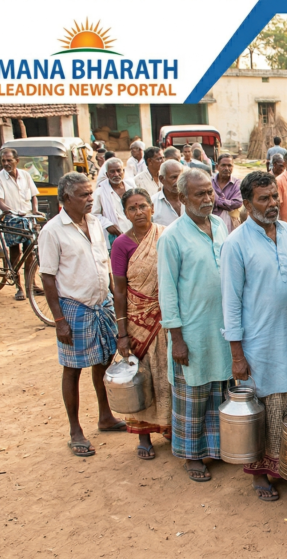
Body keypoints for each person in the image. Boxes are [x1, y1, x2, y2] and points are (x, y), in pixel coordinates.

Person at [221, 171, 287, 502]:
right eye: (264, 199)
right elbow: (231, 302)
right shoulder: (236, 243)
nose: (272, 204)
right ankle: (259, 472)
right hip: (257, 340)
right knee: (262, 405)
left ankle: (284, 464)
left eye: (274, 197)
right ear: (248, 202)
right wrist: (237, 355)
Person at [38, 172, 125, 458]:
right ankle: (75, 430)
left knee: (103, 361)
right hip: (74, 307)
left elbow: (104, 265)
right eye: (83, 195)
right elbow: (48, 278)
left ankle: (105, 416)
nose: (90, 199)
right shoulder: (52, 231)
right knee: (73, 369)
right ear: (65, 199)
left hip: (102, 304)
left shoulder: (95, 223)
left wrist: (113, 296)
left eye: (91, 194)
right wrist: (59, 321)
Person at [157, 168, 233, 483]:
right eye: (199, 194)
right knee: (193, 394)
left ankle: (216, 449)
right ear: (183, 198)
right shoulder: (173, 236)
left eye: (209, 192)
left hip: (221, 328)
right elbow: (168, 291)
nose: (207, 199)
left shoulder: (220, 225)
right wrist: (177, 338)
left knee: (219, 389)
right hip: (192, 331)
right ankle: (191, 455)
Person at [111, 187, 172, 460]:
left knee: (167, 375)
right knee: (142, 376)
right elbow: (120, 291)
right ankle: (143, 435)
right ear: (125, 213)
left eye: (142, 206)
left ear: (152, 207)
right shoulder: (121, 245)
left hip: (167, 318)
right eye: (132, 208)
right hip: (138, 321)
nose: (138, 212)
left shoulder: (165, 235)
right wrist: (122, 333)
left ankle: (169, 426)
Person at [0, 148, 39, 300]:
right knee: (15, 253)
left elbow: (33, 196)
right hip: (11, 219)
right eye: (3, 161)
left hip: (28, 218)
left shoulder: (25, 175)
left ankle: (31, 285)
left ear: (16, 161)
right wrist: (10, 211)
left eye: (9, 160)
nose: (6, 164)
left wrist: (35, 210)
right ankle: (18, 287)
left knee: (31, 253)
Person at [93, 158, 135, 245]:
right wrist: (107, 225)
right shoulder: (100, 192)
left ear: (123, 171)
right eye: (112, 171)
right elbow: (93, 214)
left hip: (134, 234)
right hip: (114, 237)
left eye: (119, 171)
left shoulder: (132, 188)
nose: (116, 174)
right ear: (107, 174)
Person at [212, 154, 242, 232]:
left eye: (229, 165)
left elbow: (237, 203)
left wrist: (217, 200)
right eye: (223, 165)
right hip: (211, 222)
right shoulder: (209, 182)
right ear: (217, 166)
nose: (226, 168)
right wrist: (227, 203)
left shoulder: (237, 183)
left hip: (231, 223)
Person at [152, 160, 183, 227]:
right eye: (174, 177)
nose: (178, 181)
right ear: (162, 179)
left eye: (180, 177)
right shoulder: (153, 203)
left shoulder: (191, 200)